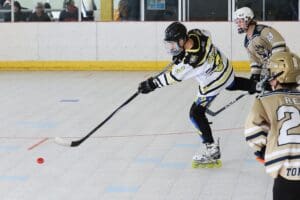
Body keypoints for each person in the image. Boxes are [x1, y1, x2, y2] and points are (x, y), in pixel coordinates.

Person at [138, 21, 257, 168]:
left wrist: (152, 84)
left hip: (214, 80)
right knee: (230, 83)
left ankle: (212, 150)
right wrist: (182, 52)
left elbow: (174, 77)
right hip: (225, 68)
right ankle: (257, 85)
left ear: (182, 40)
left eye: (174, 44)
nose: (171, 48)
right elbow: (206, 35)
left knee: (195, 113)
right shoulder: (197, 33)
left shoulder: (190, 62)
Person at [244, 51, 300, 200]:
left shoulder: (264, 100)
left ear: (277, 77)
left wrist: (262, 151)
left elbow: (253, 132)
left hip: (286, 177)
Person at [233, 7, 288, 85]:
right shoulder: (246, 42)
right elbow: (255, 61)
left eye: (240, 21)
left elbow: (279, 44)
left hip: (284, 68)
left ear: (248, 19)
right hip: (270, 73)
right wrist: (255, 76)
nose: (238, 25)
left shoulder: (264, 31)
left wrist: (275, 67)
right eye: (237, 22)